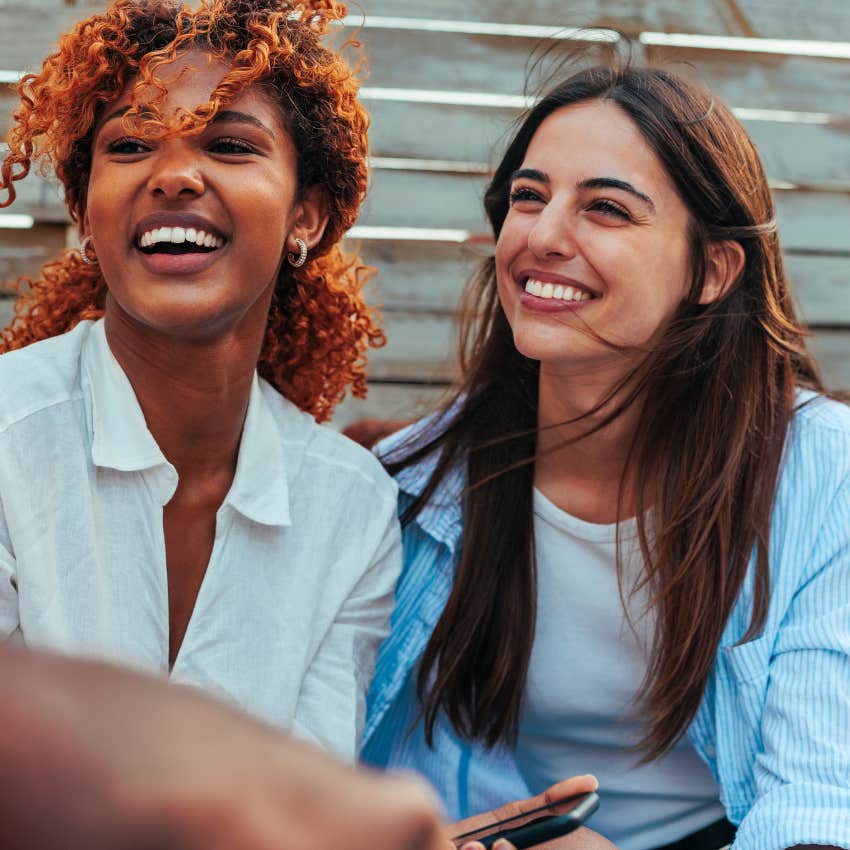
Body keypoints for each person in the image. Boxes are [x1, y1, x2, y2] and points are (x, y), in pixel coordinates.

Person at [361, 63, 850, 850]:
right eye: (529, 196)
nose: (543, 237)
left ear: (712, 270)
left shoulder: (825, 475)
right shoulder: (414, 485)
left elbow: (820, 807)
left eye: (607, 209)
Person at [0, 0, 400, 763]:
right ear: (84, 213)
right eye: (131, 144)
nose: (175, 174)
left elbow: (305, 805)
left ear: (305, 219)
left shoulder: (351, 509)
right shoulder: (8, 440)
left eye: (229, 144)